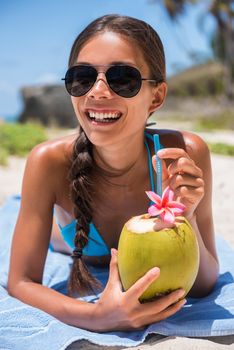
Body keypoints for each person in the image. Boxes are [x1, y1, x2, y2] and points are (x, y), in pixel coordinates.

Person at [7, 14, 219, 332]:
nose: (99, 91)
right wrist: (96, 317)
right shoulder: (48, 162)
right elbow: (21, 281)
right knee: (37, 222)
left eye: (122, 78)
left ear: (157, 96)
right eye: (82, 77)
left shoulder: (184, 156)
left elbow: (203, 286)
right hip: (64, 239)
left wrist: (187, 217)